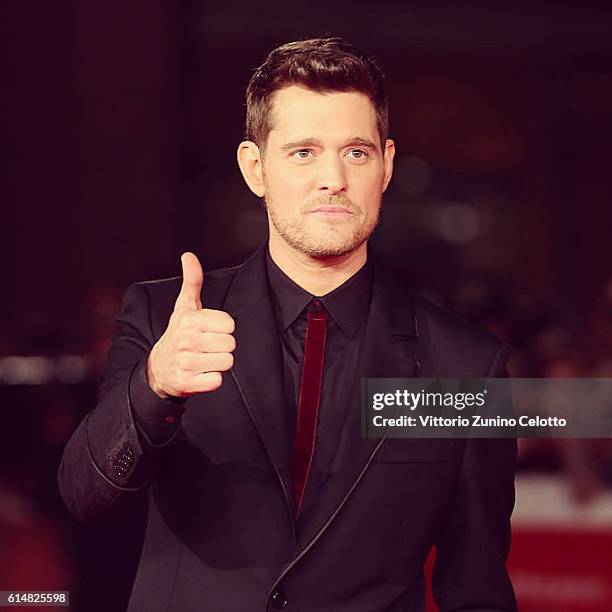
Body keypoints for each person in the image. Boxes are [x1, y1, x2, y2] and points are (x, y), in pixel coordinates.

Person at [58, 37, 517, 611]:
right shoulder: (166, 319)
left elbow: (476, 589)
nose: (333, 179)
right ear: (255, 169)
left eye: (356, 152)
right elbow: (86, 494)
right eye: (303, 152)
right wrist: (154, 387)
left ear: (387, 165)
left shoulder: (466, 367)